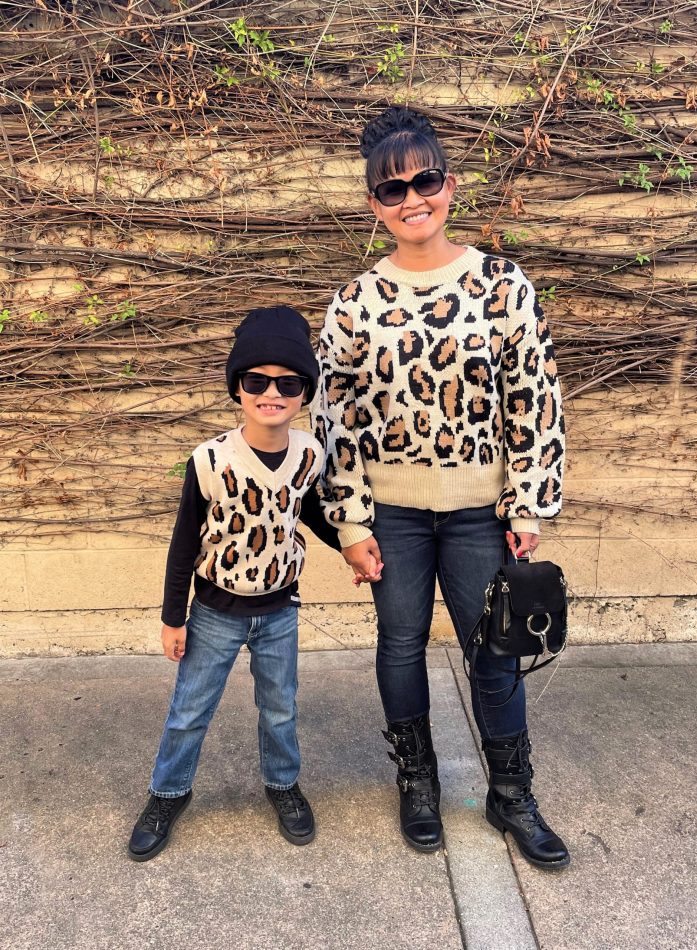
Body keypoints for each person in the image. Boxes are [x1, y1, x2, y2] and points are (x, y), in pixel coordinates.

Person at [315, 106, 569, 869]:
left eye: (425, 179)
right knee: (399, 646)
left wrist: (528, 503)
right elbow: (337, 418)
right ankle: (418, 783)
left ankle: (511, 794)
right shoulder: (355, 302)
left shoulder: (502, 283)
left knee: (493, 653)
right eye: (392, 189)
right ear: (373, 205)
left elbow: (534, 398)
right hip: (389, 512)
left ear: (449, 185)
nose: (411, 198)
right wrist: (351, 523)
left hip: (476, 514)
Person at [128, 305, 340, 862]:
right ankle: (167, 793)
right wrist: (174, 617)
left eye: (288, 383)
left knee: (280, 707)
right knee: (190, 709)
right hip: (215, 613)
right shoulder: (210, 460)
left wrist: (353, 545)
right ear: (237, 388)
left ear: (304, 392)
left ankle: (282, 785)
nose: (272, 393)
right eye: (256, 381)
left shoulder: (310, 455)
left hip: (280, 612)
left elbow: (308, 512)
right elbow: (182, 543)